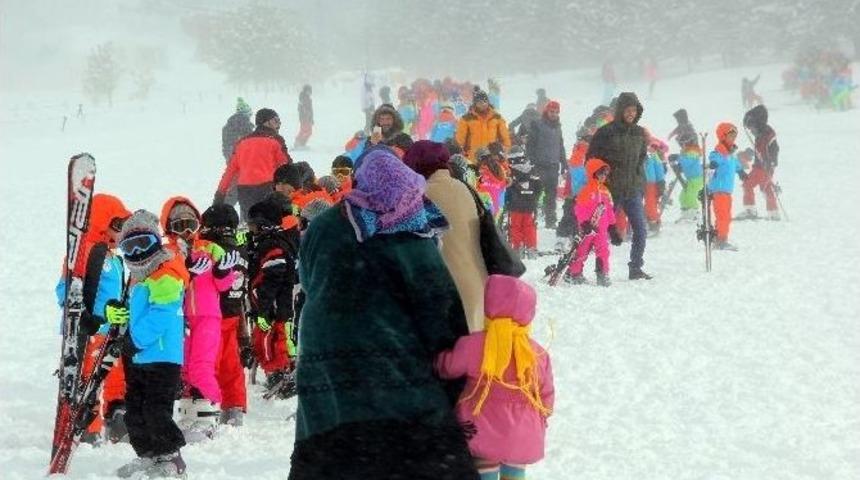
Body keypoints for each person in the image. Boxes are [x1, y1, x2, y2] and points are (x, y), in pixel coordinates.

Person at [288, 148, 478, 480]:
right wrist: (454, 366)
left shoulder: (327, 224)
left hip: (325, 360)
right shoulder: (412, 237)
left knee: (330, 453)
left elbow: (306, 278)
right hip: (393, 371)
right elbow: (440, 310)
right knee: (417, 454)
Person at [435, 274, 554, 480]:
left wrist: (438, 360)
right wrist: (544, 416)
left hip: (481, 424)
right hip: (523, 430)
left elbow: (450, 368)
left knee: (483, 467)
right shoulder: (536, 352)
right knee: (515, 470)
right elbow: (546, 392)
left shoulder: (473, 344)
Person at [109, 210, 189, 479]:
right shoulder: (138, 278)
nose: (138, 252)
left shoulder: (166, 274)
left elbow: (162, 313)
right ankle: (149, 455)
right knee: (136, 411)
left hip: (162, 356)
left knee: (156, 410)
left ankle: (171, 458)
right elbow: (136, 313)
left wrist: (136, 339)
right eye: (129, 246)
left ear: (157, 242)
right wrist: (117, 316)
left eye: (144, 243)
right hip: (139, 357)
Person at [54, 194, 131, 445]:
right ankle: (88, 428)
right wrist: (83, 316)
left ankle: (117, 417)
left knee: (115, 374)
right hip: (91, 329)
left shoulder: (114, 257)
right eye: (117, 225)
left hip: (112, 330)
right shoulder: (84, 251)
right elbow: (64, 289)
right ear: (102, 221)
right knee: (89, 378)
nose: (121, 233)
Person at [160, 197, 238, 443]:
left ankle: (209, 413)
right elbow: (165, 282)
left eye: (190, 224)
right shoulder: (167, 252)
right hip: (179, 317)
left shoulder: (210, 247)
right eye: (179, 225)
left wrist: (222, 271)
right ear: (169, 227)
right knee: (183, 368)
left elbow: (225, 285)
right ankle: (188, 413)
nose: (186, 232)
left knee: (202, 365)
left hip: (207, 315)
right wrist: (188, 271)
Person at [403, 140, 488, 333]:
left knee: (445, 359)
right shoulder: (465, 189)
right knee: (468, 356)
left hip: (443, 290)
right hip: (476, 284)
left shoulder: (420, 194)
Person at [586, 92, 652, 280]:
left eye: (634, 110)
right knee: (600, 231)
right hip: (610, 190)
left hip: (633, 190)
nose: (631, 113)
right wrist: (598, 180)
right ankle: (599, 269)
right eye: (628, 110)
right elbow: (591, 158)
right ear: (620, 110)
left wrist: (641, 182)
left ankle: (636, 268)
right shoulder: (605, 132)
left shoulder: (639, 133)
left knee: (640, 230)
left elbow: (641, 159)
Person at [199, 204, 250, 426]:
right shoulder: (242, 250)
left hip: (210, 315)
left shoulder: (210, 249)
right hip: (234, 313)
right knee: (232, 366)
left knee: (209, 363)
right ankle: (234, 407)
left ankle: (206, 405)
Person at [246, 196, 301, 399]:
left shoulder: (273, 247)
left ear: (264, 226)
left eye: (254, 227)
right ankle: (277, 375)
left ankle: (282, 376)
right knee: (266, 342)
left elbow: (272, 282)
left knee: (274, 342)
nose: (251, 232)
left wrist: (264, 310)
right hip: (269, 307)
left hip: (275, 308)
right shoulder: (264, 244)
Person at [214, 108, 292, 222]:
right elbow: (286, 166)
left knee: (251, 224)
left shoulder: (241, 143)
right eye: (276, 120)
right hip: (267, 188)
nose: (279, 124)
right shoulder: (275, 140)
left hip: (245, 191)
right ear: (266, 122)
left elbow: (230, 172)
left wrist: (220, 194)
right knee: (270, 223)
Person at [565, 159, 619, 286]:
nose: (603, 176)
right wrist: (584, 223)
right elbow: (579, 208)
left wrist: (612, 226)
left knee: (603, 250)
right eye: (601, 173)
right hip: (588, 228)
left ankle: (602, 274)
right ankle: (574, 273)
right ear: (593, 173)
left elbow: (609, 209)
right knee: (582, 250)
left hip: (602, 229)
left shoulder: (605, 190)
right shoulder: (586, 190)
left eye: (605, 174)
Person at [525, 100, 566, 229]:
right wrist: (531, 162)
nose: (553, 114)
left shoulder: (558, 126)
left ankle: (551, 221)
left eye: (556, 112)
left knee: (551, 194)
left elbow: (561, 146)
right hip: (539, 165)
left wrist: (564, 162)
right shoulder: (537, 125)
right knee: (535, 192)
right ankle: (531, 218)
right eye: (551, 111)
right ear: (546, 111)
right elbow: (530, 145)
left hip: (553, 165)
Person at [707, 123, 747, 251]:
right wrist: (714, 163)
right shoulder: (720, 151)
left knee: (726, 216)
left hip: (727, 191)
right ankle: (720, 240)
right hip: (719, 189)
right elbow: (714, 157)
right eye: (730, 136)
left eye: (734, 136)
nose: (733, 138)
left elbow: (735, 163)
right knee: (723, 216)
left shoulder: (730, 154)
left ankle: (720, 238)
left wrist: (741, 171)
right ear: (723, 136)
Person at [740, 104, 780, 220]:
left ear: (758, 124)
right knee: (766, 188)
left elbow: (775, 149)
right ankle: (774, 213)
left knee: (747, 184)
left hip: (763, 168)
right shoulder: (760, 134)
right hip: (763, 167)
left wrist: (772, 162)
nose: (751, 131)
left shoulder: (768, 135)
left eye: (752, 127)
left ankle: (750, 210)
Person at [455, 88, 511, 163]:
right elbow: (460, 141)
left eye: (485, 101)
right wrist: (463, 155)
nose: (483, 104)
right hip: (473, 160)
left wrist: (504, 154)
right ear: (475, 103)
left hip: (493, 159)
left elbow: (505, 139)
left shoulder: (497, 117)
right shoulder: (466, 119)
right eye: (480, 102)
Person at [505, 146, 542, 259]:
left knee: (515, 227)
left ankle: (517, 248)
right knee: (530, 226)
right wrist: (535, 198)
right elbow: (539, 187)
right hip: (530, 205)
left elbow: (506, 188)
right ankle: (531, 249)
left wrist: (507, 202)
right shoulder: (532, 169)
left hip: (515, 205)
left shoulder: (509, 171)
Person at [221, 98, 254, 206]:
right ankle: (244, 219)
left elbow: (226, 146)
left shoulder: (228, 125)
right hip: (244, 162)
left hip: (232, 161)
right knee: (245, 191)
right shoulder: (245, 125)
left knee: (233, 189)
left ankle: (224, 212)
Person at [675, 142, 705, 222]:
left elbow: (687, 162)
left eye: (683, 145)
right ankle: (686, 211)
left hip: (696, 179)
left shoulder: (692, 153)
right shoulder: (688, 154)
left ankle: (693, 212)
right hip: (691, 178)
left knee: (690, 195)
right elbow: (686, 164)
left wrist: (679, 158)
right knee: (683, 195)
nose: (682, 147)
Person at [644, 138, 668, 233]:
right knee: (646, 203)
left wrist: (661, 182)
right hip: (641, 182)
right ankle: (648, 221)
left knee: (651, 203)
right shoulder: (642, 154)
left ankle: (653, 223)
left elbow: (659, 170)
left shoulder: (652, 156)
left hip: (650, 182)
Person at [294, 85, 313, 149]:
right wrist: (305, 116)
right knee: (304, 131)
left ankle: (301, 143)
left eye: (310, 91)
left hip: (308, 118)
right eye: (308, 91)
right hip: (304, 118)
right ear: (305, 91)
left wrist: (311, 118)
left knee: (308, 131)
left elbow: (310, 109)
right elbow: (301, 109)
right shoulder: (303, 98)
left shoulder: (308, 98)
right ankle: (298, 142)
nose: (310, 92)